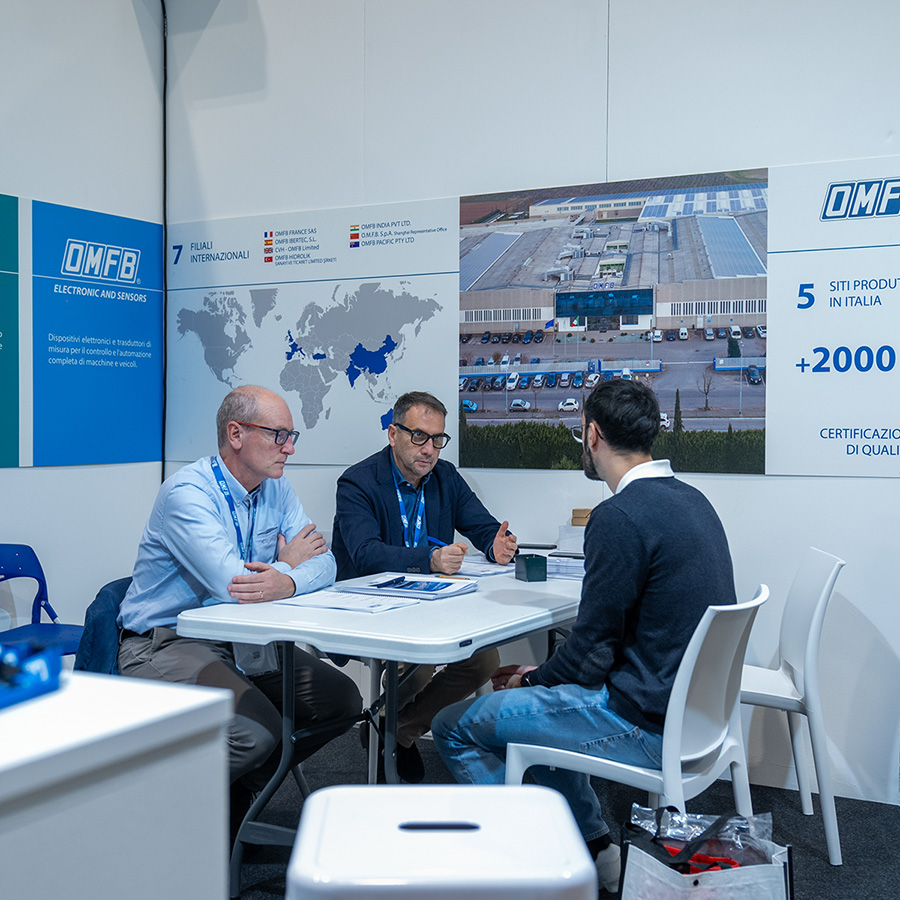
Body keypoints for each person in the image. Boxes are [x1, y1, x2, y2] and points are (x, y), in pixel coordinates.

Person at [431, 379, 737, 893]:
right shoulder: (693, 500)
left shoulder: (618, 516)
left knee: (453, 726)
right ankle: (594, 848)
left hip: (643, 725)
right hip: (696, 719)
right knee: (542, 705)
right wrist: (543, 678)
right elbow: (595, 653)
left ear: (592, 434)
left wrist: (531, 681)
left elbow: (591, 656)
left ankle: (540, 867)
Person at [118, 385, 362, 837]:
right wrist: (288, 564)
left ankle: (236, 793)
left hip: (241, 639)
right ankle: (142, 812)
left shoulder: (276, 487)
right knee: (256, 733)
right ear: (236, 434)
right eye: (278, 435)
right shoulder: (187, 494)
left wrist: (286, 580)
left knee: (341, 701)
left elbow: (326, 562)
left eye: (291, 436)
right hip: (167, 641)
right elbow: (234, 587)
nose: (289, 448)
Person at [332, 390, 518, 781]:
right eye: (419, 436)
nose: (429, 449)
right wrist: (429, 560)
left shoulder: (444, 477)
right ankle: (386, 734)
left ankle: (396, 730)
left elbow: (484, 526)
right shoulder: (357, 483)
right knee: (418, 665)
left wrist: (497, 545)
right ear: (393, 434)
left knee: (484, 661)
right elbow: (365, 554)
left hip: (431, 606)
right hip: (372, 606)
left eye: (437, 439)